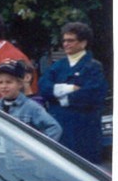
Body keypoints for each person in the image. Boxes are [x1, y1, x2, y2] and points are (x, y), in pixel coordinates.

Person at [38, 22, 108, 163]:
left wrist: (58, 96)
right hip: (60, 127)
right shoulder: (57, 66)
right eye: (64, 40)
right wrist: (69, 89)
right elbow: (43, 87)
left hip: (84, 130)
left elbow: (92, 95)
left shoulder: (94, 66)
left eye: (71, 40)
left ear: (83, 43)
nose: (65, 44)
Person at [0, 60, 62, 141]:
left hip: (18, 153)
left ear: (20, 84)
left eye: (9, 82)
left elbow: (54, 128)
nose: (4, 86)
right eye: (0, 82)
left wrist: (35, 148)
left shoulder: (31, 107)